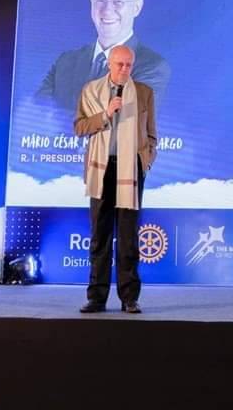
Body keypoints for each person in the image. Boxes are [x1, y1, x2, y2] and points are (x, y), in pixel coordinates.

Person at [75, 45, 157, 314]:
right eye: (119, 64)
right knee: (100, 235)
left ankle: (129, 298)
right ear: (109, 64)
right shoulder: (91, 90)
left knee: (128, 237)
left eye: (128, 65)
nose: (124, 69)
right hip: (102, 170)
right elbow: (80, 127)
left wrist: (146, 161)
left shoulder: (144, 92)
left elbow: (151, 135)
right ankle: (96, 298)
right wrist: (106, 114)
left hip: (130, 170)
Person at [36, 0, 170, 111]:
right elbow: (35, 112)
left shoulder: (152, 67)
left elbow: (125, 119)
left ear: (136, 8)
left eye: (118, 2)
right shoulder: (66, 61)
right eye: (100, 1)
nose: (107, 11)